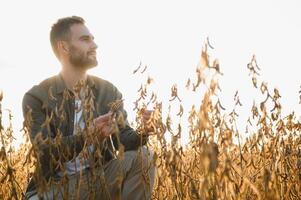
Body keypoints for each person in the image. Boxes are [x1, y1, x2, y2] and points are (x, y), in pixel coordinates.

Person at [22, 16, 155, 200]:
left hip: (98, 179)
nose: (95, 45)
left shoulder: (108, 91)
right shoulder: (37, 97)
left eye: (92, 38)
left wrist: (144, 130)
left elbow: (121, 140)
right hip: (53, 188)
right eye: (85, 39)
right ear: (64, 47)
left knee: (143, 155)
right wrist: (87, 137)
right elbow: (45, 153)